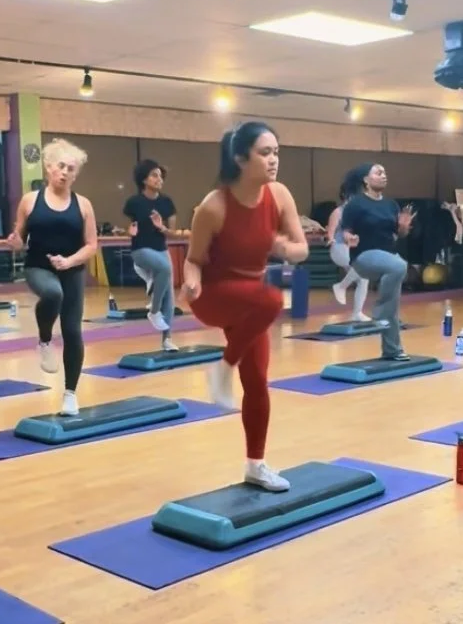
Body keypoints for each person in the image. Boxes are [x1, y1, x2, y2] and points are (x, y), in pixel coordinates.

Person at [182, 122, 309, 493]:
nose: (273, 160)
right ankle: (223, 368)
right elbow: (193, 260)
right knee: (271, 298)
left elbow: (301, 248)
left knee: (257, 383)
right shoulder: (214, 206)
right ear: (241, 158)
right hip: (215, 296)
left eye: (276, 152)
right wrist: (191, 281)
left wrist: (286, 249)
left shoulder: (280, 196)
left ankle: (256, 465)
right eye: (264, 153)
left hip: (251, 303)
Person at [7, 139, 99, 415]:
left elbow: (92, 245)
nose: (65, 172)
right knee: (52, 293)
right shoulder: (30, 201)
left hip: (71, 270)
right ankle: (45, 339)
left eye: (71, 169)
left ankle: (70, 394)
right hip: (38, 266)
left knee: (73, 332)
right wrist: (14, 242)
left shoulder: (83, 205)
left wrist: (69, 261)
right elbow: (20, 239)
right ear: (48, 168)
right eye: (60, 166)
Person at [336, 163, 415, 360]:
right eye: (378, 172)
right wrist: (349, 238)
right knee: (400, 265)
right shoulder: (356, 204)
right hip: (364, 258)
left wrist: (404, 227)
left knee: (393, 304)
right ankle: (379, 314)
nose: (383, 175)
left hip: (387, 260)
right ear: (366, 179)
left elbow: (398, 235)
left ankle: (392, 350)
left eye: (384, 172)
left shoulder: (391, 205)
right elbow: (346, 231)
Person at [123, 159, 178, 349]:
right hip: (140, 250)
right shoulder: (134, 202)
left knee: (169, 296)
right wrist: (128, 230)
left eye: (161, 176)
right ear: (144, 179)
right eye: (154, 175)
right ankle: (154, 311)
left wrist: (160, 227)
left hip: (160, 249)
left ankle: (167, 339)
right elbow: (128, 226)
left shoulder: (166, 203)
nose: (159, 179)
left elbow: (172, 232)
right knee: (165, 269)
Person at [324, 194, 370, 320]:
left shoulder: (357, 213)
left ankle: (357, 313)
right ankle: (341, 286)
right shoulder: (338, 212)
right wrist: (331, 239)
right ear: (347, 197)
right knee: (363, 270)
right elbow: (331, 232)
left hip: (351, 249)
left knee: (364, 279)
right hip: (339, 249)